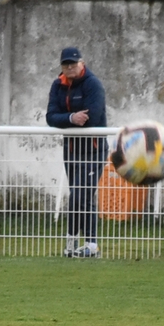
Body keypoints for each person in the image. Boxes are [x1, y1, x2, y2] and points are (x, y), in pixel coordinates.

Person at [46, 46, 108, 258]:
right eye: (66, 64)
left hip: (93, 149)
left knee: (81, 195)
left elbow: (92, 117)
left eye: (73, 63)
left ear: (82, 63)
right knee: (77, 196)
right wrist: (72, 118)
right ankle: (74, 244)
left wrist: (66, 119)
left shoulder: (93, 84)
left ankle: (89, 244)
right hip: (71, 150)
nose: (70, 67)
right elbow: (51, 117)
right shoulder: (58, 85)